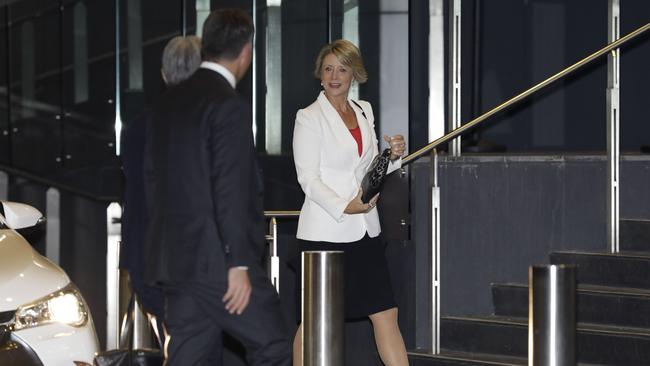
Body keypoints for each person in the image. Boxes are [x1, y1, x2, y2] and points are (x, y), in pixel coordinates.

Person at [143, 8, 291, 365]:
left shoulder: (167, 103)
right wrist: (238, 264)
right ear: (246, 52)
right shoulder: (228, 105)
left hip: (174, 261)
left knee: (190, 357)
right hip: (218, 266)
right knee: (272, 343)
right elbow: (231, 188)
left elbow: (150, 179)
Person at [292, 39, 409, 365]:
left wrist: (393, 156)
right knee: (313, 321)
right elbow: (308, 179)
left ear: (353, 74)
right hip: (325, 234)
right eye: (328, 68)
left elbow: (369, 168)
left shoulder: (363, 110)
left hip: (365, 231)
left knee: (387, 313)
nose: (334, 75)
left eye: (342, 69)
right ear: (320, 74)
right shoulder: (308, 117)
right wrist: (346, 205)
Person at [120, 35, 202, 344]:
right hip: (194, 264)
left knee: (176, 345)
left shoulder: (136, 130)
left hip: (145, 257)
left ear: (164, 74)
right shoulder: (210, 125)